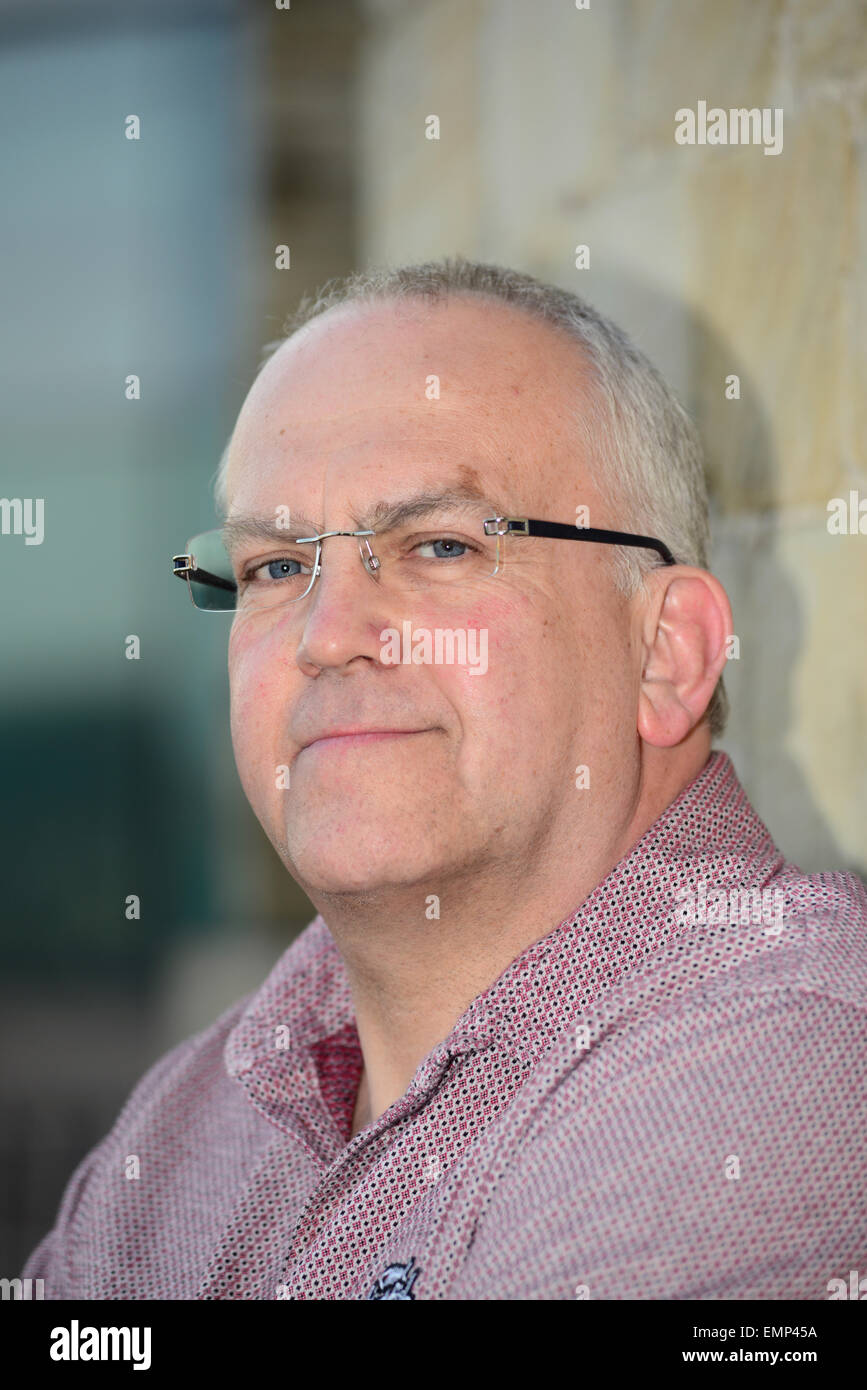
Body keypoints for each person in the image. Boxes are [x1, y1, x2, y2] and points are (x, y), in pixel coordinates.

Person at [23, 258, 867, 1299]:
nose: (326, 638)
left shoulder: (786, 1076)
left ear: (667, 654)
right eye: (277, 567)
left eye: (437, 545)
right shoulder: (188, 1120)